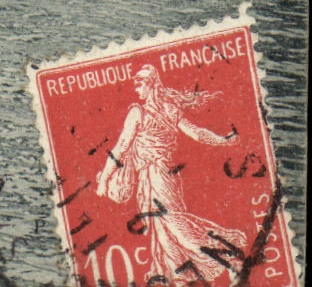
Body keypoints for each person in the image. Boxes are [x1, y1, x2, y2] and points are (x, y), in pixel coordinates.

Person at [95, 65, 247, 284]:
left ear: (152, 85)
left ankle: (228, 256)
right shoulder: (170, 109)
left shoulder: (138, 112)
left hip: (156, 176)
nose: (137, 89)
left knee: (173, 224)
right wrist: (222, 140)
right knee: (164, 229)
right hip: (165, 176)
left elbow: (121, 148)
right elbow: (197, 133)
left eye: (141, 84)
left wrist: (104, 181)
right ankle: (182, 279)